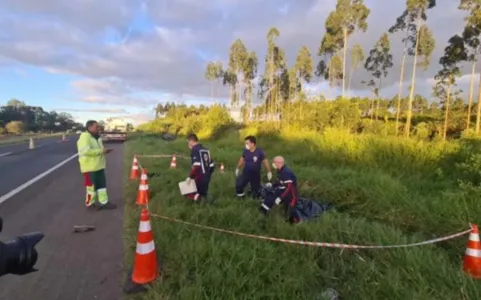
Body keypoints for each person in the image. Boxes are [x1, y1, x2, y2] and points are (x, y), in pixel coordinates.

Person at [77, 120, 116, 210]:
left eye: (98, 127)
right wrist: (101, 151)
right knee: (91, 188)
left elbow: (98, 149)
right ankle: (90, 204)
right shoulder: (85, 137)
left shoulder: (96, 137)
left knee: (101, 186)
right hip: (89, 168)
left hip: (98, 166)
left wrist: (104, 151)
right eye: (96, 127)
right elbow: (85, 151)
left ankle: (104, 202)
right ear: (89, 127)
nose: (98, 128)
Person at [259, 156, 299, 223]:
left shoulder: (286, 172)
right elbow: (279, 181)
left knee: (290, 210)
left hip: (291, 193)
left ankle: (295, 222)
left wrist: (281, 198)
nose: (273, 164)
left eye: (274, 162)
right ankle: (263, 212)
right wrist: (272, 184)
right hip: (282, 190)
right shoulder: (280, 170)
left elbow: (289, 187)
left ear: (279, 163)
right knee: (270, 197)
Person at [185, 133, 215, 201]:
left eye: (188, 142)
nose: (188, 144)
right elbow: (212, 166)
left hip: (199, 177)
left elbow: (196, 166)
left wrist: (190, 177)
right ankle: (205, 203)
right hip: (207, 177)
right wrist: (208, 175)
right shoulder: (206, 150)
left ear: (191, 141)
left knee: (187, 192)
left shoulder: (195, 150)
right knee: (202, 193)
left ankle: (201, 201)